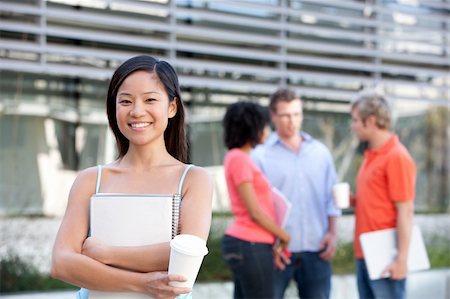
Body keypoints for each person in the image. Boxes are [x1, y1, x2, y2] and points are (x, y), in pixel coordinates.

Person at [51, 55, 213, 299]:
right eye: (125, 101)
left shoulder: (193, 179)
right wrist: (142, 283)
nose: (137, 111)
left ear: (171, 107)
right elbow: (62, 263)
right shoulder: (90, 180)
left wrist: (107, 253)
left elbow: (186, 254)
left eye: (150, 99)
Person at [251, 88, 341, 299]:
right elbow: (255, 206)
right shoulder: (260, 155)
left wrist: (333, 233)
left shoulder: (321, 153)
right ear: (273, 116)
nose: (292, 121)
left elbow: (332, 199)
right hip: (276, 252)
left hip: (317, 250)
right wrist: (269, 244)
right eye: (285, 115)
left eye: (296, 114)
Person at [221, 101, 291, 299]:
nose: (268, 130)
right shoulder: (240, 159)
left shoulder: (237, 157)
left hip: (249, 244)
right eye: (264, 125)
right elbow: (255, 212)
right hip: (250, 243)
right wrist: (284, 236)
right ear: (252, 127)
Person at [350, 91, 416, 299]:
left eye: (355, 120)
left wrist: (402, 260)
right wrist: (353, 201)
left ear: (370, 121)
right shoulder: (370, 156)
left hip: (385, 256)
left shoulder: (397, 157)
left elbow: (405, 211)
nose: (352, 126)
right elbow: (377, 202)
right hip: (364, 253)